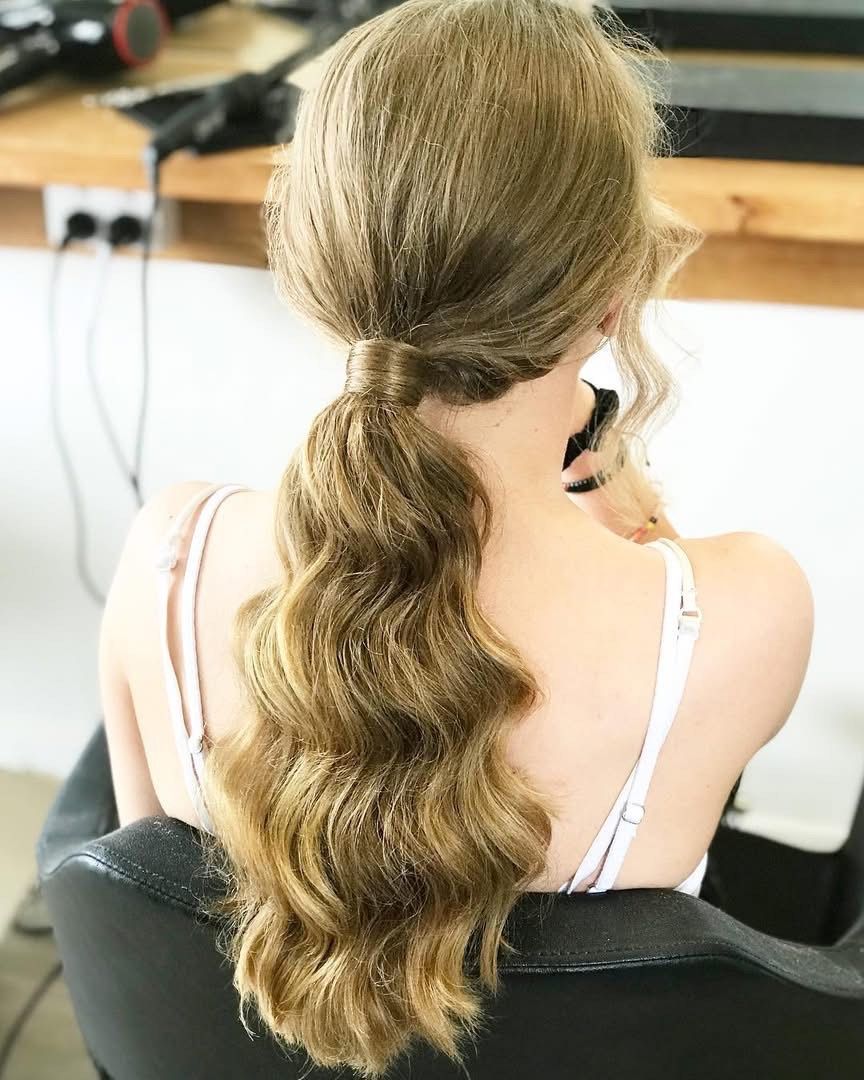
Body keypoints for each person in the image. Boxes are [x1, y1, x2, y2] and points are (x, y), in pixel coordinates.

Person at [98, 1, 813, 1075]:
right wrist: (646, 528)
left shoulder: (168, 557)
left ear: (312, 262)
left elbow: (157, 921)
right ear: (612, 295)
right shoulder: (741, 617)